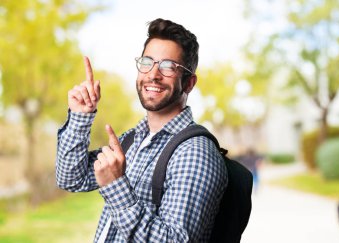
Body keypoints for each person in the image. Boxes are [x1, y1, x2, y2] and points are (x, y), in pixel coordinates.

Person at [56, 18, 228, 242]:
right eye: (147, 62)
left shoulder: (195, 153)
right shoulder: (133, 140)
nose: (153, 74)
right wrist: (80, 116)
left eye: (168, 66)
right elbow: (70, 178)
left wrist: (116, 186)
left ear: (189, 83)